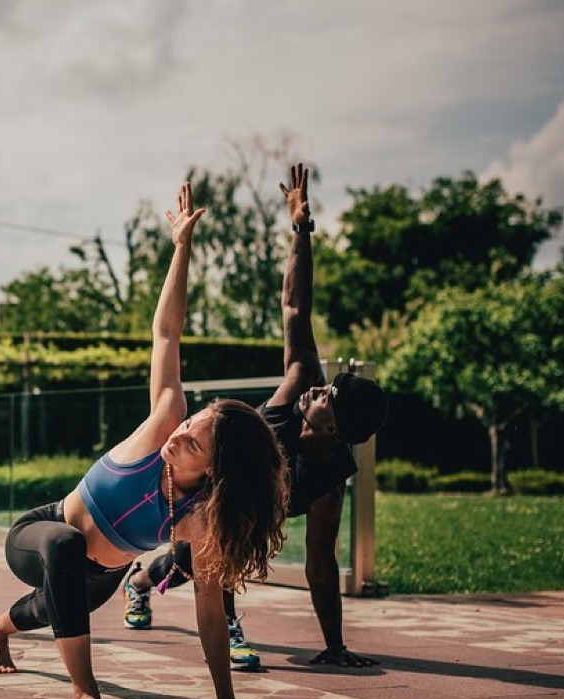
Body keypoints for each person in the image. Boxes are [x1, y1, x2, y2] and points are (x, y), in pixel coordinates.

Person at [0, 183, 289, 699]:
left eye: (193, 442)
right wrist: (181, 246)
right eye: (189, 426)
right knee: (64, 549)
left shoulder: (203, 520)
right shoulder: (163, 424)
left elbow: (211, 613)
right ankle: (84, 694)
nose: (179, 437)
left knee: (50, 607)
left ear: (216, 470)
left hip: (102, 573)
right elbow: (166, 333)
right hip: (41, 534)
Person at [122, 163, 389, 669]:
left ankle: (140, 582)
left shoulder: (330, 482)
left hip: (241, 515)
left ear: (333, 429)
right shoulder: (293, 391)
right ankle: (169, 598)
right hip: (209, 490)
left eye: (326, 395)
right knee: (202, 553)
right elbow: (295, 307)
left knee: (185, 563)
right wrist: (301, 228)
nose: (315, 388)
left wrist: (334, 646)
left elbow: (320, 564)